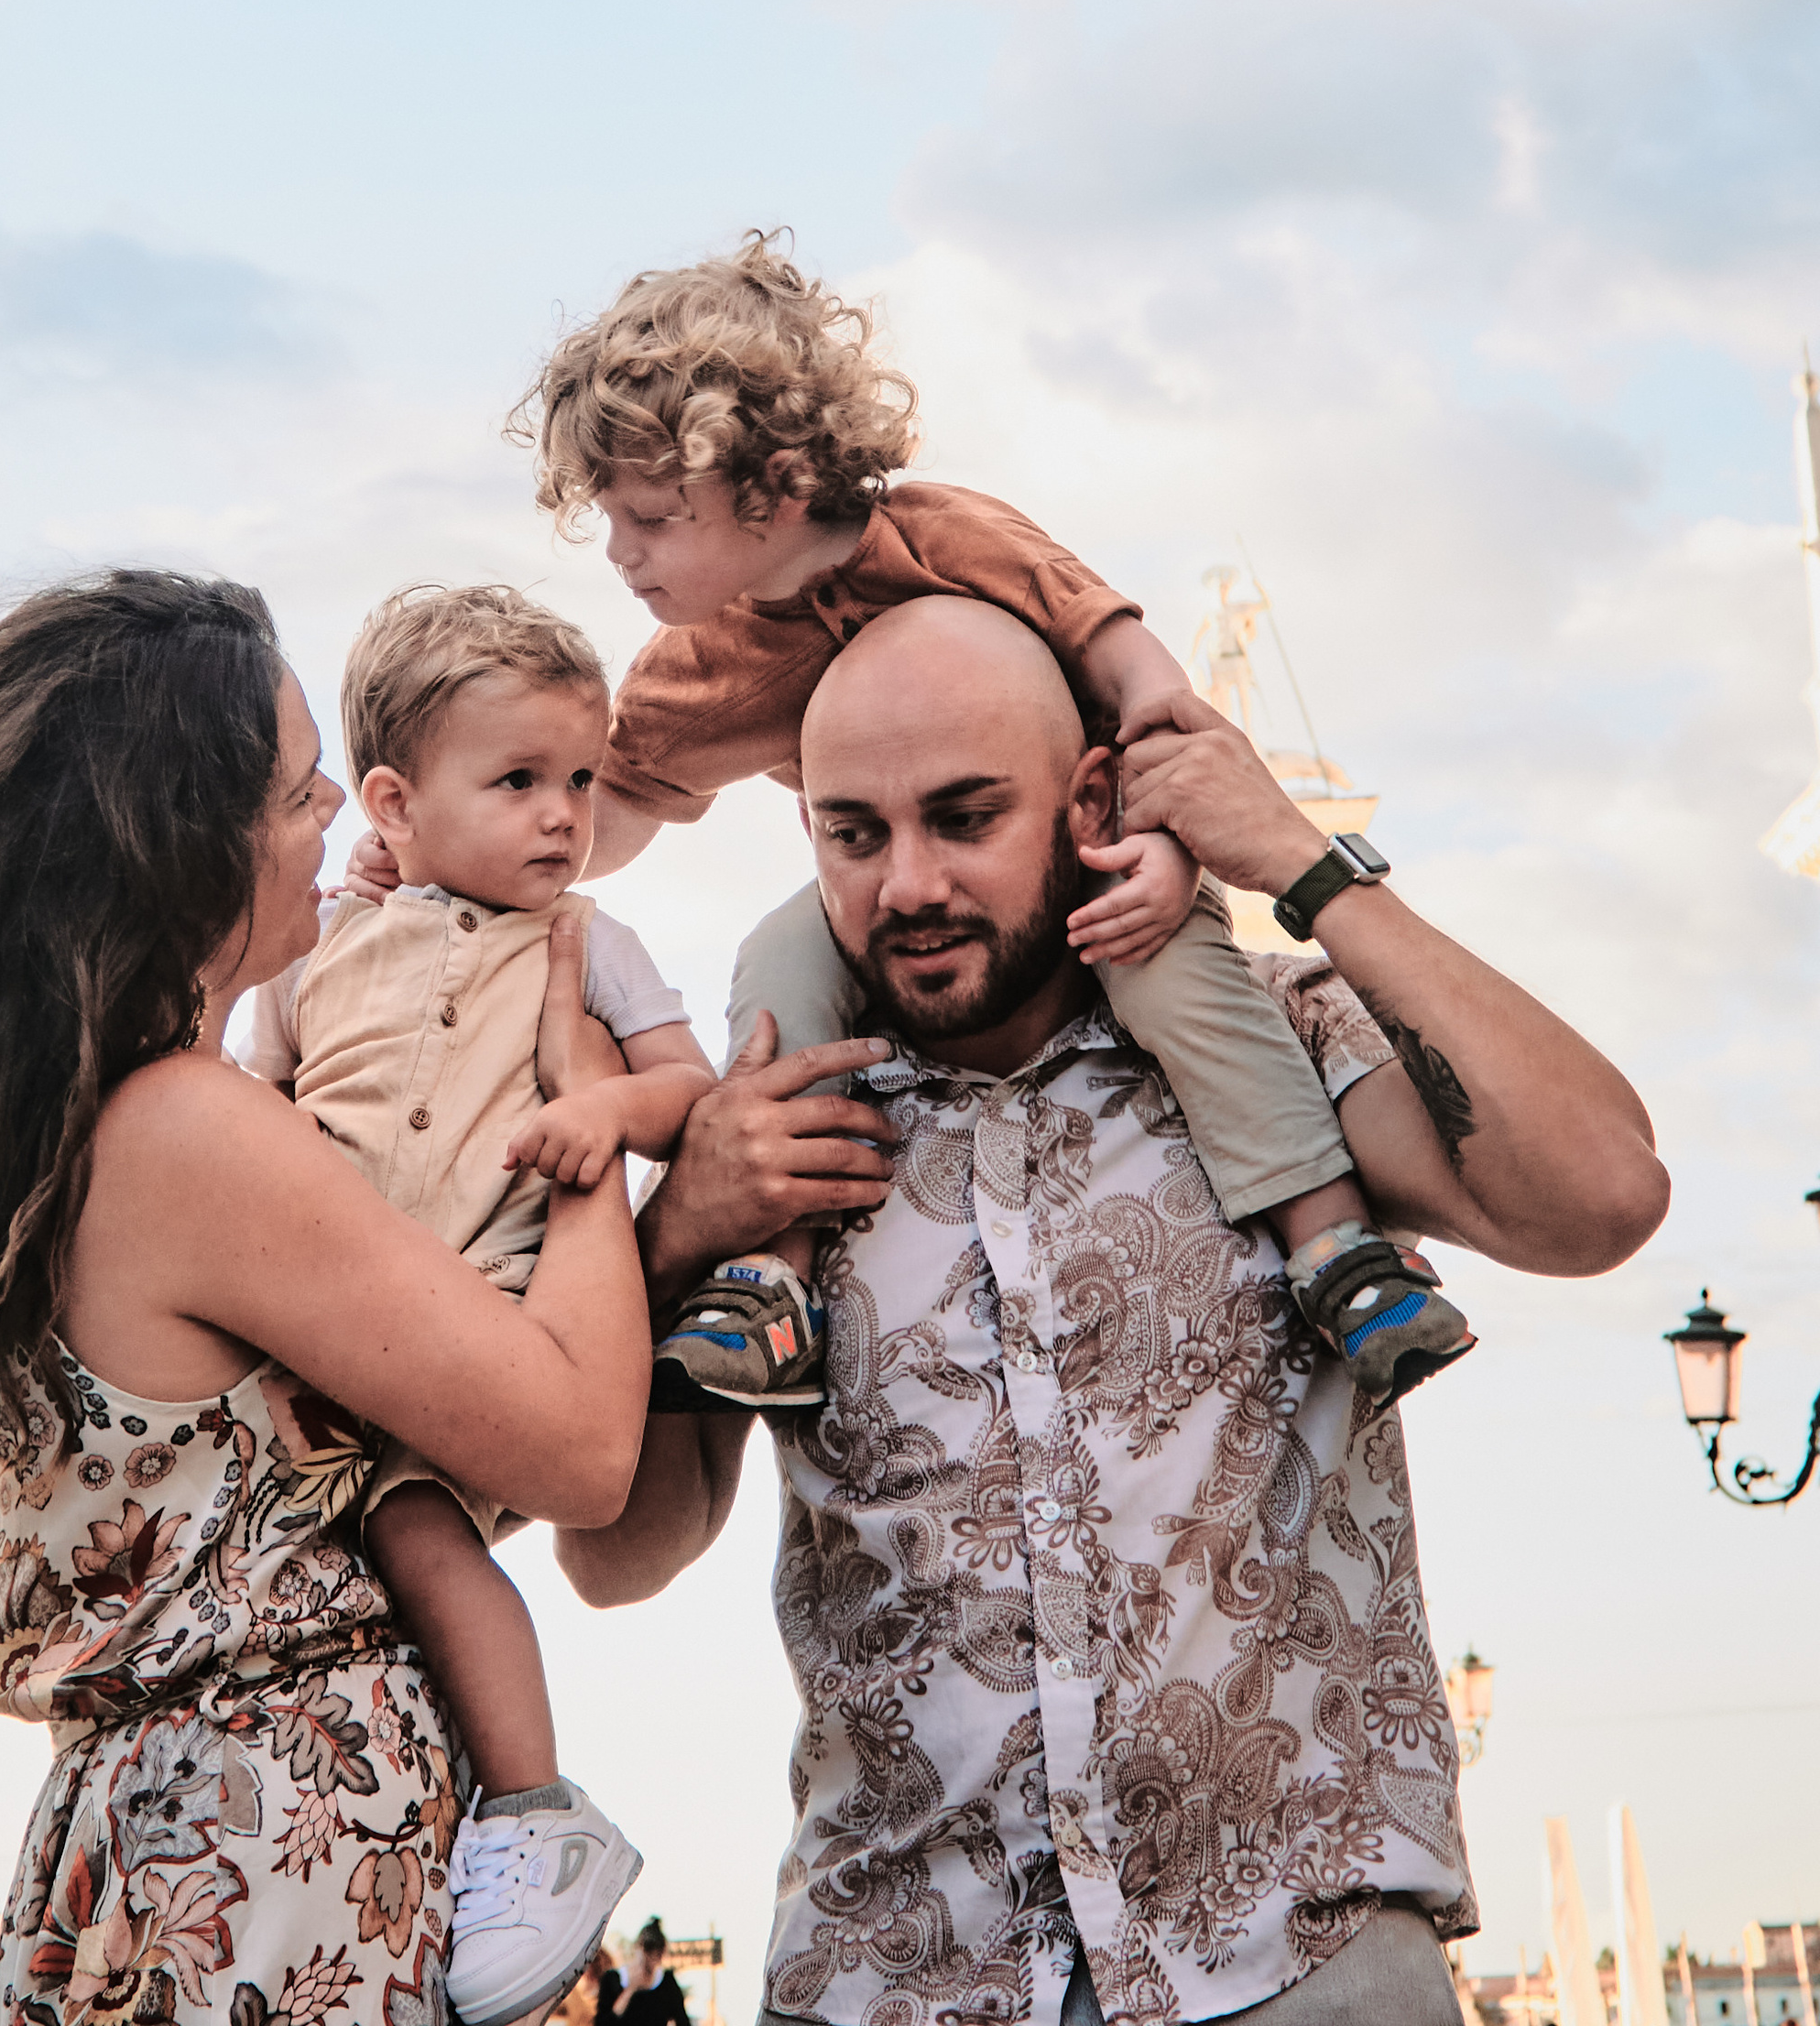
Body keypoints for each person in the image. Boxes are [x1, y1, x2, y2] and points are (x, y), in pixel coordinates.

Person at [557, 597, 1670, 2026]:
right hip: (897, 1979)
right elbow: (621, 1557)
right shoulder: (769, 1140)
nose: (906, 884)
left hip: (1305, 1961)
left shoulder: (1273, 1047)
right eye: (854, 833)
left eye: (964, 817)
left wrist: (1301, 866)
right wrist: (672, 1240)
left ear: (1088, 801)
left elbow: (1606, 1195)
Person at [0, 570, 652, 2026]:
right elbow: (584, 1445)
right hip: (268, 1875)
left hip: (162, 1859)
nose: (342, 805)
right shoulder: (192, 1130)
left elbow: (417, 1436)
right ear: (184, 843)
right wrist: (585, 1115)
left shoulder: (83, 1127)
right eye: (297, 791)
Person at [500, 234, 1471, 1413]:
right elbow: (598, 814)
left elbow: (1145, 685)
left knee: (1176, 976)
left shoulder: (947, 540)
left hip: (1088, 857)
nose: (622, 553)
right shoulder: (689, 674)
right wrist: (474, 850)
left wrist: (1162, 848)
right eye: (610, 519)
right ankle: (774, 1281)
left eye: (651, 516)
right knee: (781, 962)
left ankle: (1335, 1248)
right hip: (891, 904)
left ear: (774, 482)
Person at [232, 587, 720, 2015]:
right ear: (392, 802)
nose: (565, 816)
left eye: (581, 777)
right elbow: (263, 1097)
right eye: (518, 782)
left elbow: (687, 1083)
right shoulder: (323, 944)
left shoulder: (587, 941)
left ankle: (534, 1806)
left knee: (426, 1537)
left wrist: (608, 1113)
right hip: (318, 1329)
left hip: (484, 1329)